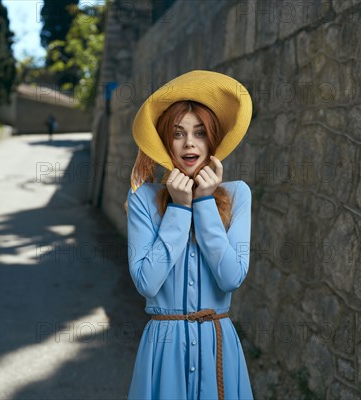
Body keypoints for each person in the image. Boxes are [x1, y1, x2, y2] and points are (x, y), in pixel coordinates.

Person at [125, 70, 254, 400]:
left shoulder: (238, 194)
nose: (189, 143)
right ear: (167, 142)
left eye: (199, 133)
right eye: (178, 133)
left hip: (218, 348)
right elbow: (147, 282)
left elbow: (231, 278)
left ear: (212, 140)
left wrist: (205, 202)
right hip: (164, 351)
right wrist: (180, 210)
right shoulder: (143, 199)